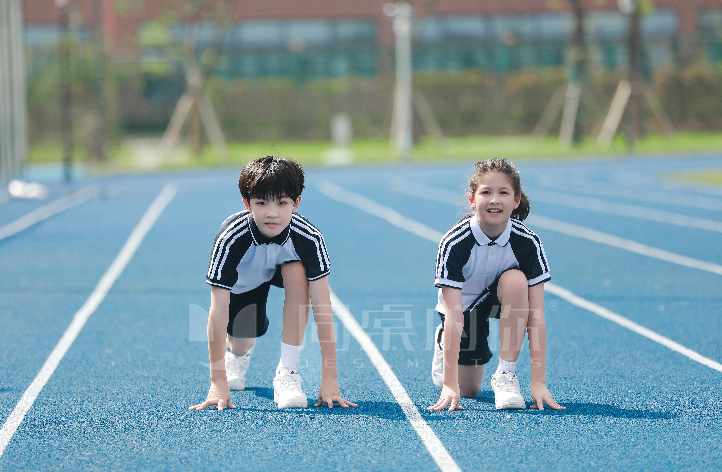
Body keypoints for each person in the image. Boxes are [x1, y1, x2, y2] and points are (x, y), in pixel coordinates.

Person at [190, 156, 357, 411]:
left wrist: (330, 378)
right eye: (261, 202)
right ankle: (236, 355)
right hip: (244, 285)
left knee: (297, 269)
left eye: (282, 203)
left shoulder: (309, 238)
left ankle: (287, 374)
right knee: (242, 340)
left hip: (284, 269)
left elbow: (322, 307)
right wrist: (218, 380)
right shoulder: (230, 238)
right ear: (247, 203)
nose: (272, 213)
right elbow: (218, 309)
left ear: (296, 203)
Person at [428, 158, 564, 412]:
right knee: (468, 390)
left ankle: (506, 375)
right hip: (465, 309)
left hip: (507, 298)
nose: (494, 199)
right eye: (486, 192)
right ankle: (442, 343)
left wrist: (538, 381)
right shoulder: (454, 243)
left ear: (516, 200)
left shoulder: (528, 243)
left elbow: (536, 315)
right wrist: (449, 384)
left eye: (503, 192)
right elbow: (454, 313)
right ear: (472, 200)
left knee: (515, 280)